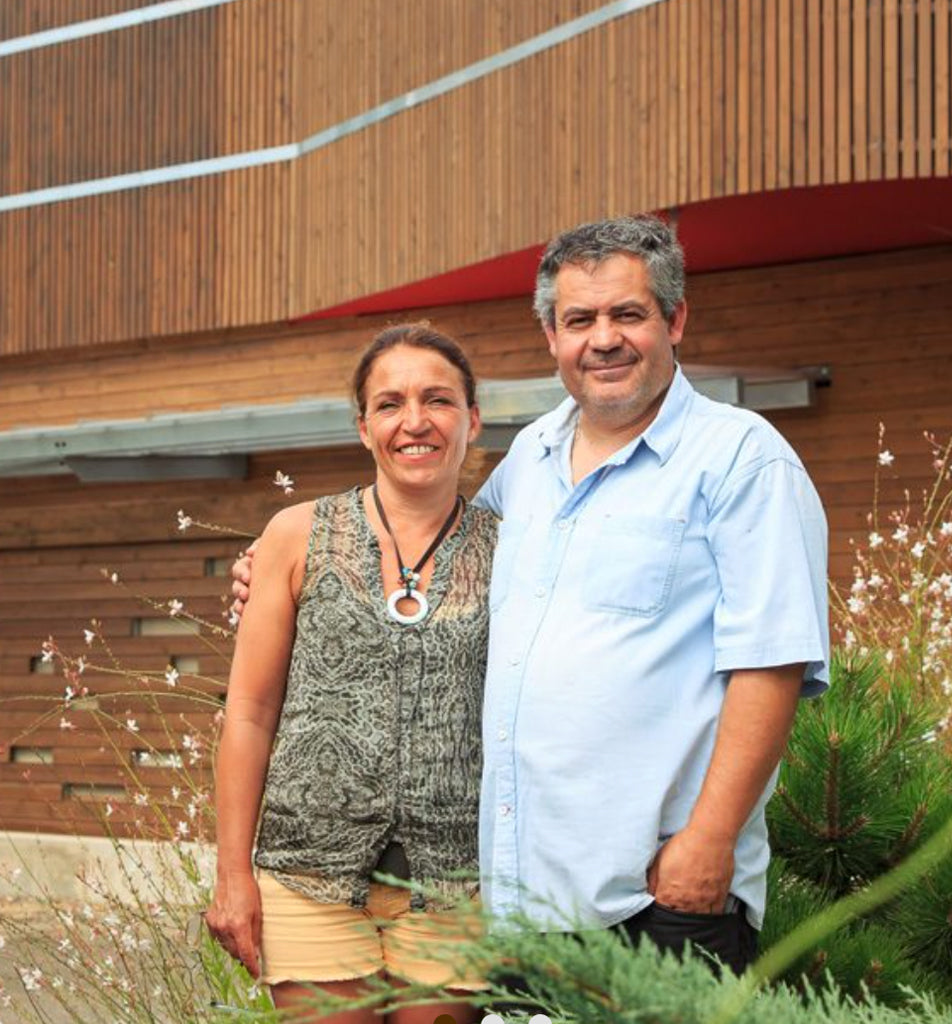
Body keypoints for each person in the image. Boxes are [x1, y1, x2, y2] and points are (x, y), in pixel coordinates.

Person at [233, 216, 829, 977]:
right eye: (579, 320)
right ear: (551, 335)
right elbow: (436, 552)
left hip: (659, 893)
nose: (603, 340)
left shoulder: (742, 460)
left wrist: (710, 841)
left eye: (627, 314)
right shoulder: (532, 458)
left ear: (675, 319)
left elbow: (772, 663)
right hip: (522, 902)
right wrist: (276, 569)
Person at [207, 323, 496, 1024]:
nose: (415, 421)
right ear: (364, 427)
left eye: (437, 400)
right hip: (306, 876)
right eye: (390, 404)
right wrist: (232, 873)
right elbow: (248, 713)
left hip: (458, 883)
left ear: (472, 419)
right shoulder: (296, 534)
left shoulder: (512, 548)